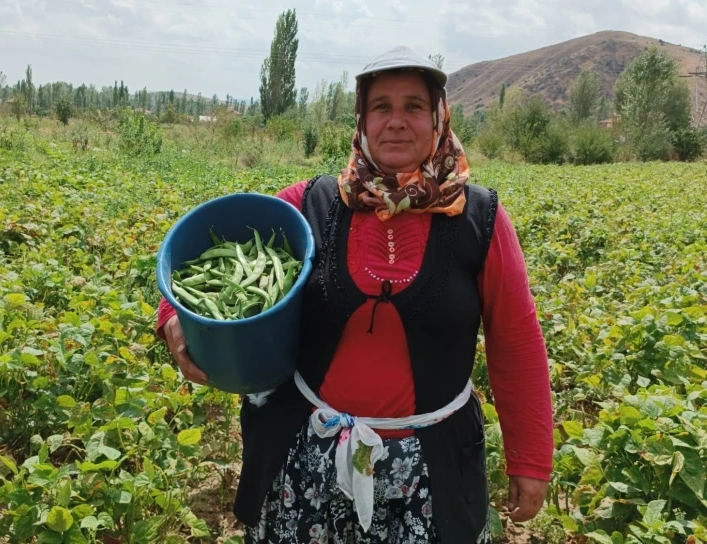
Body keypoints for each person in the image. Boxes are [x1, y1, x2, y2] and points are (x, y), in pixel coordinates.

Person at [157, 45, 553, 544]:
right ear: (362, 120)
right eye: (381, 106)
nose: (396, 121)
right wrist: (172, 312)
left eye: (413, 106)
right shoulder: (312, 203)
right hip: (309, 459)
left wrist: (531, 457)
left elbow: (516, 341)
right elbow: (198, 254)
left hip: (429, 469)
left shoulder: (480, 220)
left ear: (438, 119)